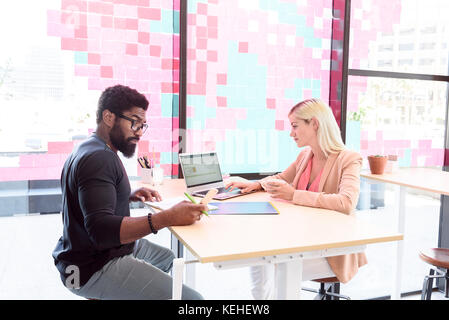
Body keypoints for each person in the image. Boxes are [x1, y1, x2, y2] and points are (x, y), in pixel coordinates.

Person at [52, 85, 207, 300]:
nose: (139, 132)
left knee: (166, 259)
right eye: (134, 122)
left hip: (81, 255)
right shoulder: (100, 158)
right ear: (108, 117)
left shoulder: (89, 147)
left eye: (143, 125)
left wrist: (122, 194)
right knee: (193, 300)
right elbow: (101, 230)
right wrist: (167, 217)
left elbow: (87, 200)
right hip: (92, 266)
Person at [226, 98, 367, 300]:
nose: (291, 133)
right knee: (257, 255)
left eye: (295, 126)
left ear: (315, 124)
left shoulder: (349, 159)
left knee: (276, 264)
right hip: (301, 240)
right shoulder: (305, 155)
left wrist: (293, 195)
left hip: (332, 251)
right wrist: (255, 184)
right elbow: (282, 178)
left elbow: (346, 202)